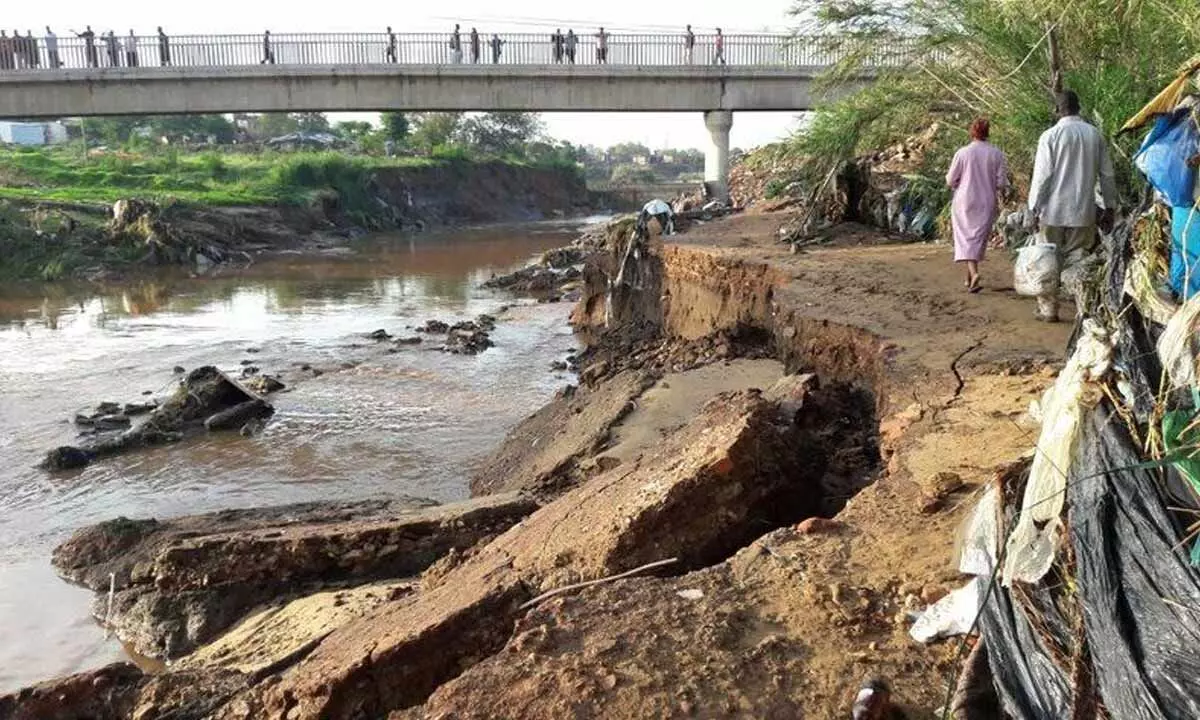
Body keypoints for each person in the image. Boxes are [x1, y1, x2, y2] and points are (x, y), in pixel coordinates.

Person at [1028, 89, 1118, 322]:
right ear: (1079, 108)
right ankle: (1083, 308)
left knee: (1047, 260)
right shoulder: (1094, 135)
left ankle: (1049, 310)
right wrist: (1110, 207)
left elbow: (1042, 177)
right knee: (1079, 259)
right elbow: (1107, 174)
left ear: (1057, 110)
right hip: (1082, 211)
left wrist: (1033, 208)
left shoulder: (1050, 136)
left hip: (1052, 211)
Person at [946, 118, 1008, 293]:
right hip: (986, 199)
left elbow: (950, 179)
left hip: (964, 200)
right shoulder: (997, 154)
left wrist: (959, 182)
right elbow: (1001, 182)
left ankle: (972, 275)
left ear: (972, 132)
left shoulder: (963, 153)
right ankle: (970, 276)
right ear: (988, 132)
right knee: (976, 237)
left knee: (966, 237)